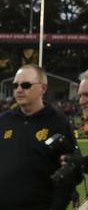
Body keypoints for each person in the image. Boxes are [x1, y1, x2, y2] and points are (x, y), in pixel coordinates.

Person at [0, 64, 79, 210]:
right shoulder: (4, 121)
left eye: (25, 85)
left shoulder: (58, 122)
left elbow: (71, 173)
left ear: (43, 88)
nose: (18, 90)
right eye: (15, 85)